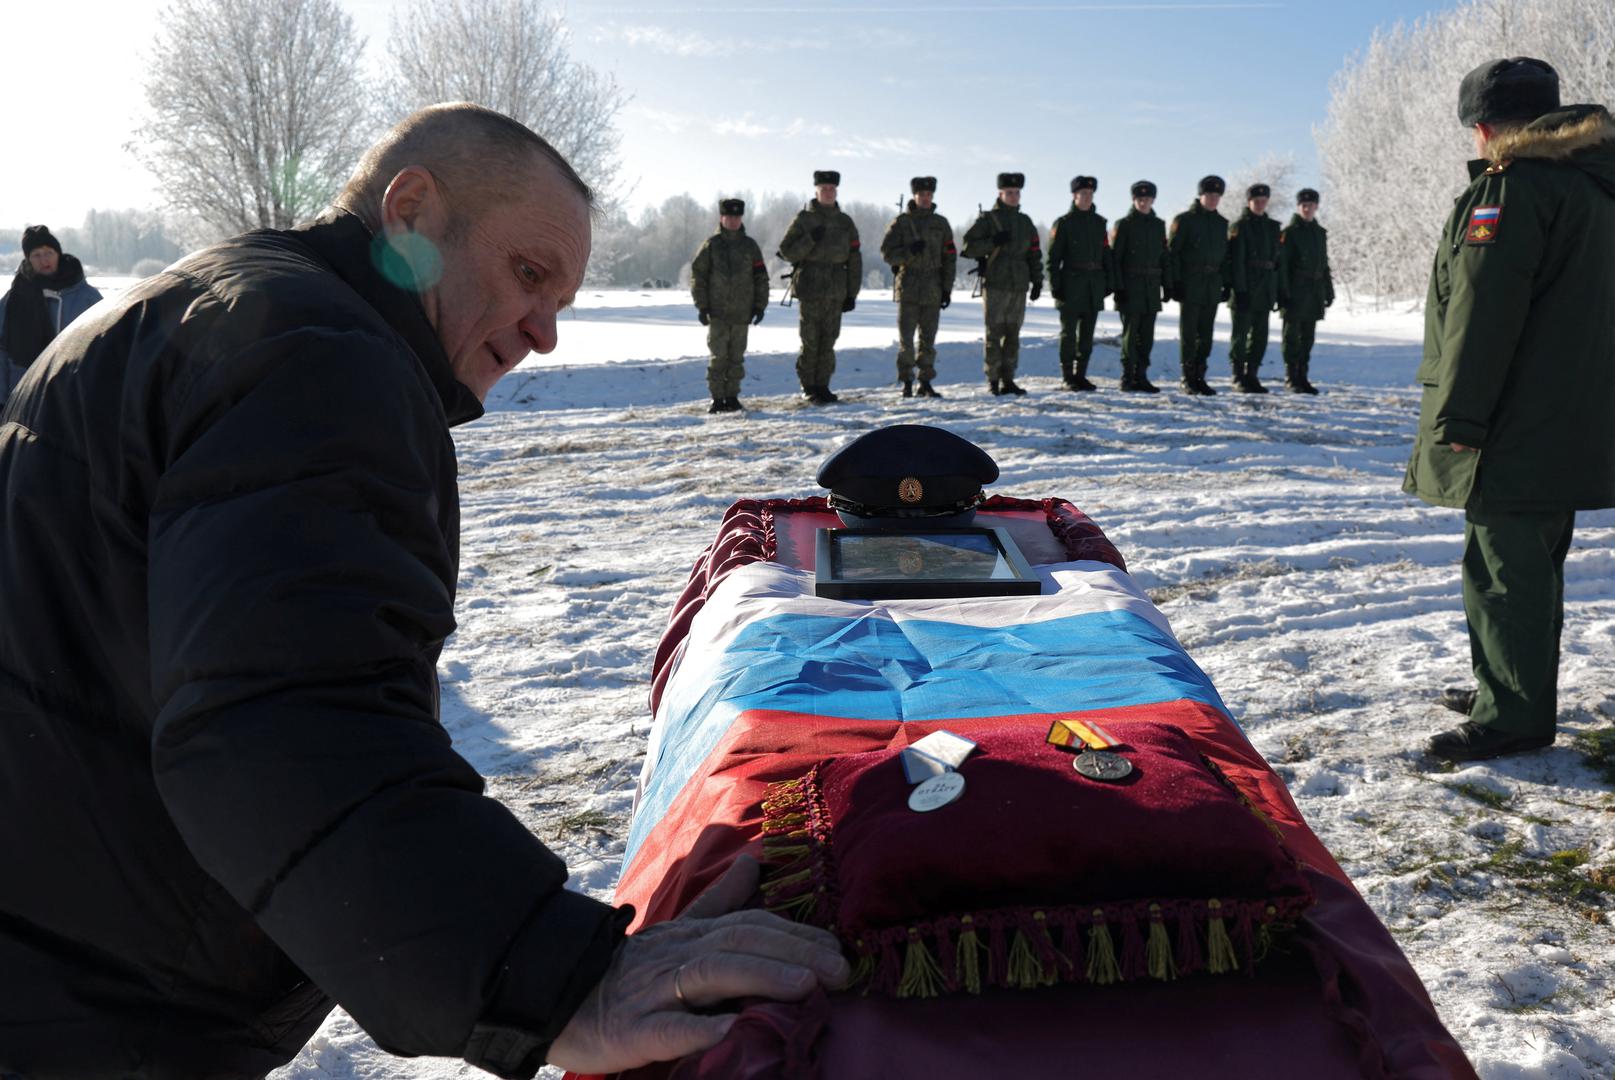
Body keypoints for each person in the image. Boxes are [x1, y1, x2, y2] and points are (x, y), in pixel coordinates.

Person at [0, 103, 847, 1079]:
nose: (544, 333)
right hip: (89, 1003)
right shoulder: (317, 352)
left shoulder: (206, 307)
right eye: (527, 273)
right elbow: (286, 716)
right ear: (411, 212)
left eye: (562, 300)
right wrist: (550, 979)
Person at [1404, 58, 1615, 763]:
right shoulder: (1593, 187)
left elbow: (1482, 314)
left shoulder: (1514, 189)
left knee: (1502, 571)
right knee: (1532, 565)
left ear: (1486, 126)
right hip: (1568, 412)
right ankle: (1507, 688)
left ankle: (1513, 716)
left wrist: (1458, 421)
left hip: (1513, 419)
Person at [778, 169, 862, 404]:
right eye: (823, 189)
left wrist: (851, 293)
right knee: (810, 340)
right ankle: (808, 386)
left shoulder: (845, 222)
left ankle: (823, 385)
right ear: (816, 191)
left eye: (831, 189)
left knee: (829, 340)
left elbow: (855, 260)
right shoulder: (804, 219)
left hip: (836, 290)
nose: (828, 192)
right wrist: (809, 239)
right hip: (810, 288)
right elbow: (786, 251)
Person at [961, 172, 1043, 396]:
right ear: (1000, 194)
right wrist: (992, 242)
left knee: (1013, 333)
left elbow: (1034, 254)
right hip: (996, 282)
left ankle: (1008, 379)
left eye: (1017, 193)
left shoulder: (1025, 222)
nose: (1014, 196)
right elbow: (968, 247)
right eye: (1009, 193)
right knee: (994, 333)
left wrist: (1037, 280)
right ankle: (993, 379)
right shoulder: (989, 220)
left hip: (1018, 284)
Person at [0, 225, 103, 401]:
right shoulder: (12, 300)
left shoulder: (87, 297)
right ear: (28, 259)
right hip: (25, 395)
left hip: (76, 396)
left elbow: (107, 347)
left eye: (49, 252)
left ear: (58, 254)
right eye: (36, 255)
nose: (44, 260)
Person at [879, 175, 956, 398]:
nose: (925, 198)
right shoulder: (902, 223)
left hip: (933, 286)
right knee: (907, 340)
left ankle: (926, 381)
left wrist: (946, 289)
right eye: (921, 194)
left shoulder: (941, 224)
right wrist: (908, 252)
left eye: (929, 194)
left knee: (928, 339)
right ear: (914, 196)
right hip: (909, 287)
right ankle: (906, 381)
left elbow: (950, 258)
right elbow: (887, 253)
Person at [690, 197, 769, 413]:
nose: (733, 221)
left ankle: (732, 397)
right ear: (721, 217)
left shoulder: (750, 246)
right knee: (718, 359)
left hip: (742, 314)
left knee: (736, 359)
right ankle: (717, 398)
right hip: (718, 314)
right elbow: (698, 276)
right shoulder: (712, 245)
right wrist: (702, 306)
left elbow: (761, 277)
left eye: (737, 217)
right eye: (729, 217)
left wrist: (760, 306)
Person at [1045, 175, 1113, 392]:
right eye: (1083, 193)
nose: (1087, 197)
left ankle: (1081, 375)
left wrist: (1109, 282)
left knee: (1087, 334)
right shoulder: (1064, 223)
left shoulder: (1099, 223)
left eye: (1090, 194)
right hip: (1071, 285)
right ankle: (1068, 377)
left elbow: (1106, 254)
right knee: (1068, 334)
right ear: (1074, 195)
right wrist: (1055, 285)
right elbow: (1053, 258)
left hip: (1093, 286)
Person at [1168, 175, 1230, 395]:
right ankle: (1187, 377)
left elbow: (1226, 257)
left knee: (1206, 333)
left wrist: (1226, 284)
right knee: (1189, 332)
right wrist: (1175, 282)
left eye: (1217, 195)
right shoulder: (1185, 220)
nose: (1213, 199)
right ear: (1201, 195)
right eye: (1209, 194)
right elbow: (1173, 253)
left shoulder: (1222, 223)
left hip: (1212, 284)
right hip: (1190, 282)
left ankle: (1200, 376)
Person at [1110, 180, 1172, 393]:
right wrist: (1118, 287)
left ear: (1153, 200)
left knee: (1147, 335)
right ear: (1133, 200)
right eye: (1140, 199)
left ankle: (1141, 375)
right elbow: (1116, 258)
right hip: (1130, 287)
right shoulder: (1124, 224)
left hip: (1151, 288)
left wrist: (1167, 285)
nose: (1144, 203)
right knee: (1130, 334)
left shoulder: (1158, 225)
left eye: (1148, 199)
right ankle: (1127, 376)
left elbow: (1164, 257)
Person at [1276, 188, 1333, 393]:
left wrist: (1328, 290)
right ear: (1298, 207)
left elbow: (1323, 264)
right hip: (1296, 289)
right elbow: (1282, 265)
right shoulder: (1290, 233)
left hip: (1314, 291)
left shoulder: (1319, 233)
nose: (1307, 209)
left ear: (1317, 207)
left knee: (1308, 337)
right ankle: (1291, 377)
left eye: (1311, 205)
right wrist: (1283, 292)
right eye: (1304, 205)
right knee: (1292, 336)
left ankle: (1303, 376)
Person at [1226, 183, 1280, 393]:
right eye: (1256, 201)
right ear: (1249, 202)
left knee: (1260, 335)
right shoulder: (1240, 226)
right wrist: (1239, 289)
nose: (1260, 204)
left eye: (1263, 201)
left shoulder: (1273, 227)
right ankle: (1238, 375)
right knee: (1240, 335)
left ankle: (1252, 374)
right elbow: (1236, 261)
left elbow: (1277, 261)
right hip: (1246, 287)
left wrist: (1275, 290)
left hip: (1265, 289)